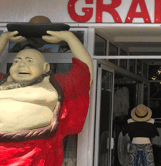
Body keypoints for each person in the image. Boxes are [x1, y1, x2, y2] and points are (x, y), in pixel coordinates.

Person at [0, 30, 93, 166]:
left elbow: (85, 73)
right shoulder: (3, 81)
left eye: (29, 61)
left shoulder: (56, 85)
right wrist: (3, 38)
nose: (21, 65)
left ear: (45, 68)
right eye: (17, 61)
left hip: (38, 152)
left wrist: (69, 37)